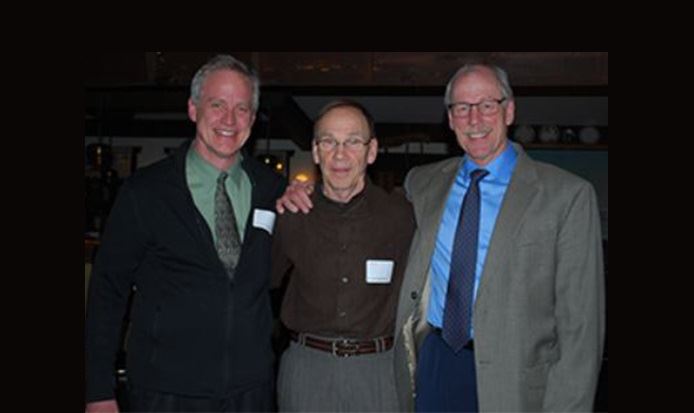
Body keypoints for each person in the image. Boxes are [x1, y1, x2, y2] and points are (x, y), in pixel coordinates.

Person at [277, 63, 605, 412]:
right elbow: (350, 193)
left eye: (487, 105)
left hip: (516, 380)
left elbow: (581, 330)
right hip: (434, 363)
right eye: (461, 108)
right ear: (449, 119)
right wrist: (303, 190)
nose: (474, 119)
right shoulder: (424, 183)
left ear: (509, 110)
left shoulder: (566, 195)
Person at [85, 55, 285, 412]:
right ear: (193, 109)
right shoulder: (146, 192)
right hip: (166, 391)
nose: (229, 119)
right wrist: (98, 390)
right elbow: (107, 291)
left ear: (253, 120)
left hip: (250, 392)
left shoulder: (272, 189)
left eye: (242, 108)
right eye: (217, 105)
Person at [271, 100, 415, 412]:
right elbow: (258, 284)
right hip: (307, 370)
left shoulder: (403, 217)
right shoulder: (290, 214)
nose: (340, 154)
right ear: (316, 150)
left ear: (371, 150)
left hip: (377, 373)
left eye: (353, 141)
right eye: (329, 141)